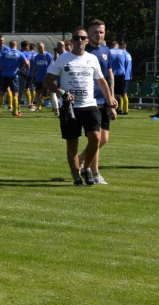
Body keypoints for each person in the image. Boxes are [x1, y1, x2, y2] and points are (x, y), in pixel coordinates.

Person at [44, 26, 116, 187]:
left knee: (96, 138)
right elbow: (48, 82)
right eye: (76, 38)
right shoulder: (63, 58)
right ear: (72, 40)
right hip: (70, 108)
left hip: (90, 105)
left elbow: (102, 81)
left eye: (83, 38)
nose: (80, 41)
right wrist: (62, 92)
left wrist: (110, 100)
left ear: (87, 41)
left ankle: (87, 169)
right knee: (72, 143)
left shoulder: (92, 58)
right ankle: (76, 176)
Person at [81, 19, 117, 184]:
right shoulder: (83, 50)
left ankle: (81, 158)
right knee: (96, 138)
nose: (99, 35)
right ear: (89, 33)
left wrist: (112, 97)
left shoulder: (106, 50)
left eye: (101, 32)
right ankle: (95, 173)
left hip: (104, 99)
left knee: (104, 139)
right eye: (95, 32)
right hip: (90, 100)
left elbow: (110, 75)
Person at [0, 40, 28, 117]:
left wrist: (0, 69)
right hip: (14, 75)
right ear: (16, 45)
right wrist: (21, 69)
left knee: (2, 92)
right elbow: (27, 63)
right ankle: (15, 112)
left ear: (9, 45)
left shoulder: (5, 52)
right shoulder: (20, 53)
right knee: (15, 93)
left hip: (4, 75)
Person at [31, 42, 54, 112]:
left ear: (44, 47)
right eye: (39, 47)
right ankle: (39, 107)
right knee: (38, 92)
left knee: (51, 93)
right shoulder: (36, 57)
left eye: (41, 47)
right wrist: (32, 77)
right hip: (39, 78)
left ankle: (54, 107)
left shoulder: (48, 55)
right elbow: (35, 68)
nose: (40, 48)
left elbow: (52, 65)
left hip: (47, 78)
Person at [108, 40, 129, 115]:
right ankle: (125, 110)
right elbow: (127, 63)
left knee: (113, 92)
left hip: (112, 74)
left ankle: (115, 108)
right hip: (122, 74)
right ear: (118, 46)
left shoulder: (109, 51)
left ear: (112, 46)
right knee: (123, 93)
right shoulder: (123, 52)